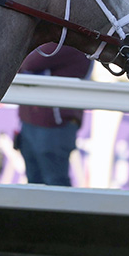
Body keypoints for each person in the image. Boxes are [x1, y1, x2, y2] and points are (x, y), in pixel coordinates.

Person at [15, 46, 92, 187]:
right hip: (31, 122)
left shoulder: (71, 44)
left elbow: (27, 61)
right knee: (34, 185)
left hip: (54, 126)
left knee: (56, 184)